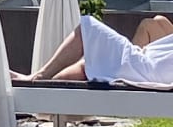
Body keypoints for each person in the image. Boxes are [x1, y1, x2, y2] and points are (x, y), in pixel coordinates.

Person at [11, 14, 173, 84]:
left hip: (144, 68)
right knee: (86, 66)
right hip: (147, 66)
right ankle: (43, 91)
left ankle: (40, 78)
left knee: (88, 27)